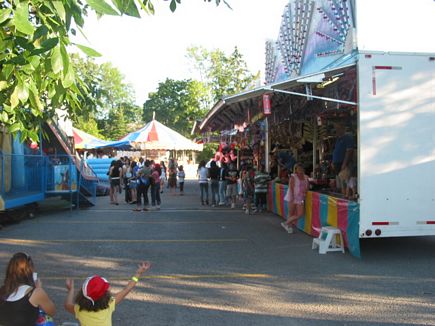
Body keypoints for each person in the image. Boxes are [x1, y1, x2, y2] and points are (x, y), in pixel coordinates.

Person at [64, 262, 151, 326]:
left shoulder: (79, 309)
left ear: (82, 293)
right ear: (105, 295)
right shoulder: (110, 304)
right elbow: (127, 289)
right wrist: (138, 273)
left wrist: (70, 290)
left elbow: (67, 305)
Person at [0, 252, 56, 326]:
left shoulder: (3, 290)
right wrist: (39, 288)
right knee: (46, 320)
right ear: (30, 271)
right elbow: (52, 311)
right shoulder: (36, 292)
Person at [282, 163, 309, 233]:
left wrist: (305, 192)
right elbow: (291, 187)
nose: (300, 170)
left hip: (301, 198)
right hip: (292, 197)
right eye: (298, 168)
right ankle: (289, 227)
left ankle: (286, 223)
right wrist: (293, 197)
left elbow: (307, 187)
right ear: (296, 169)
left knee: (300, 214)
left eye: (301, 168)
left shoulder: (306, 177)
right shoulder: (293, 177)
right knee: (291, 212)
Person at [332, 123, 354, 193]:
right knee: (341, 181)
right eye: (336, 129)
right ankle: (343, 193)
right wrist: (333, 161)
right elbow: (336, 150)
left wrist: (344, 163)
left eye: (338, 128)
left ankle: (348, 194)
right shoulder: (339, 138)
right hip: (337, 163)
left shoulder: (348, 137)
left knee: (346, 180)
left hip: (343, 163)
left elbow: (349, 151)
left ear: (343, 128)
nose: (337, 130)